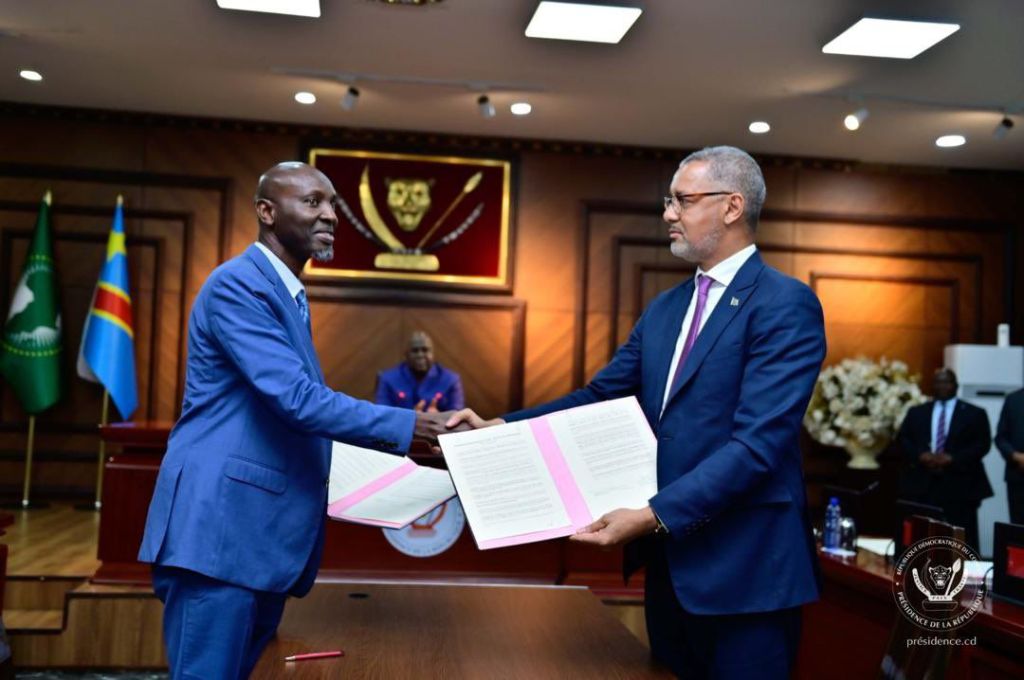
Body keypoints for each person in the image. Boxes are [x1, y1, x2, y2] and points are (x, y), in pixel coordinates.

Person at [450, 146, 826, 679]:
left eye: (682, 200)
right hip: (670, 567)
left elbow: (757, 447)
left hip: (747, 575)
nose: (668, 213)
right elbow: (599, 397)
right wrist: (503, 429)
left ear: (732, 206)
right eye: (668, 201)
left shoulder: (784, 304)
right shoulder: (667, 307)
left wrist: (651, 515)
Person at [138, 162, 462, 679]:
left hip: (256, 541)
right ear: (266, 212)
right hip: (220, 534)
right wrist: (419, 426)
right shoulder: (238, 285)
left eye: (332, 203)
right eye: (312, 202)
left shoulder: (286, 294)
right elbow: (298, 400)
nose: (330, 215)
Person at [897, 368, 993, 551]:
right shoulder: (917, 412)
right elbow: (903, 440)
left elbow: (982, 444)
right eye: (938, 382)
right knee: (921, 536)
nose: (942, 386)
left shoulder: (974, 413)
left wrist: (953, 458)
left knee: (961, 539)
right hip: (923, 484)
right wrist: (920, 455)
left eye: (946, 382)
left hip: (961, 485)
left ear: (956, 386)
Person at [375, 331, 465, 412]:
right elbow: (383, 415)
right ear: (406, 355)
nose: (420, 355)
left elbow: (457, 415)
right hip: (402, 426)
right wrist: (412, 418)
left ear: (432, 354)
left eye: (425, 350)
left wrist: (438, 418)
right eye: (415, 351)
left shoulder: (451, 380)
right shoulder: (387, 379)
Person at [995, 387, 1024, 524]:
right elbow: (1000, 438)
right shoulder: (1013, 399)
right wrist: (1015, 456)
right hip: (1018, 476)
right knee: (1018, 527)